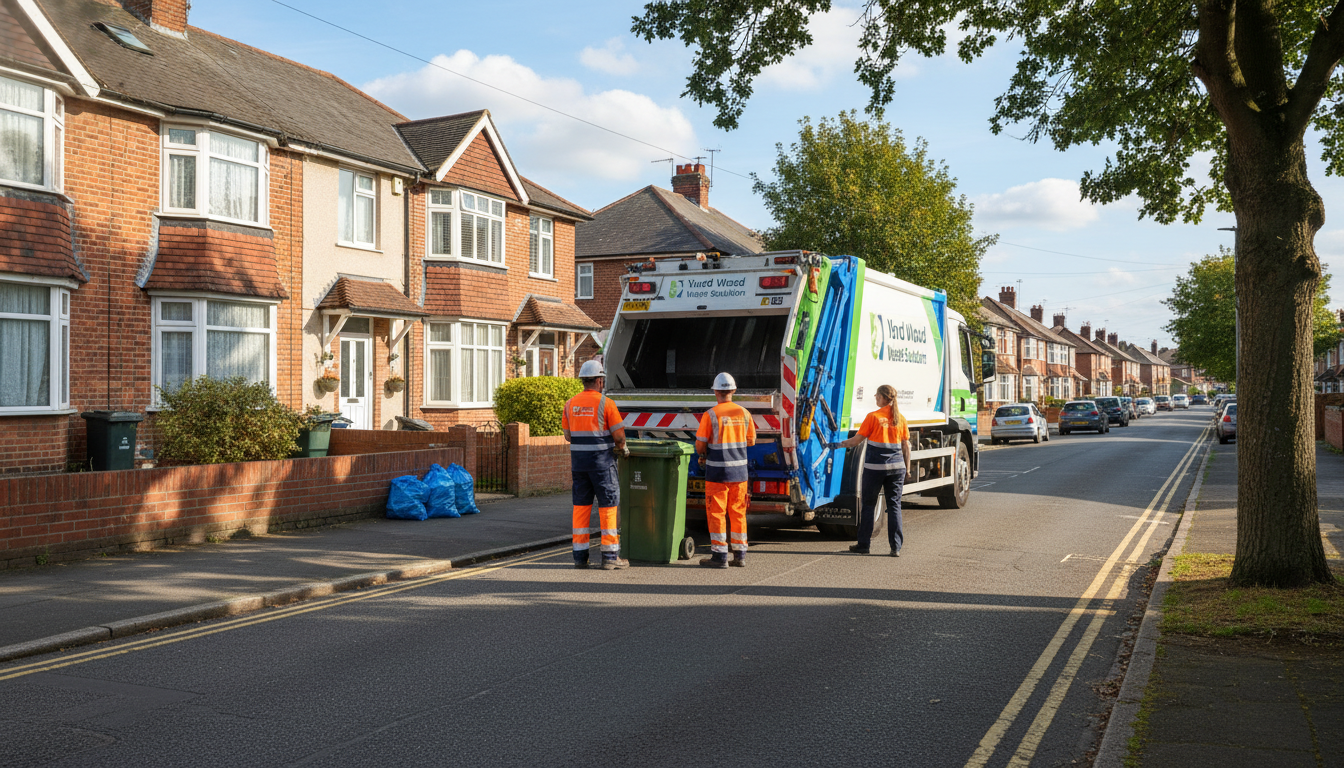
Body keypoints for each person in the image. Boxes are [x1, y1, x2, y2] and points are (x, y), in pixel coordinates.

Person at [562, 360, 629, 570]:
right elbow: (619, 437)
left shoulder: (570, 404)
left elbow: (568, 436)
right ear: (600, 381)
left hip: (579, 465)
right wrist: (624, 449)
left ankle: (580, 557)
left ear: (583, 380)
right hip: (602, 464)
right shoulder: (606, 404)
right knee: (608, 506)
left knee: (581, 508)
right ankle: (610, 557)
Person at [830, 384, 911, 556]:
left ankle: (864, 545)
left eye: (876, 396)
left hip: (875, 469)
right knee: (894, 506)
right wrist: (908, 469)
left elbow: (855, 441)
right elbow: (906, 446)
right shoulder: (901, 418)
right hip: (897, 469)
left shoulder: (873, 417)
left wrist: (837, 445)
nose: (875, 398)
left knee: (868, 505)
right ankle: (895, 547)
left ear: (882, 397)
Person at [695, 372, 757, 568]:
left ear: (715, 391)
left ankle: (720, 555)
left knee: (716, 512)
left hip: (717, 473)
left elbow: (700, 445)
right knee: (738, 512)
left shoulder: (710, 414)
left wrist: (703, 454)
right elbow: (751, 441)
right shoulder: (745, 413)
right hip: (739, 473)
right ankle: (740, 555)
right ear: (733, 391)